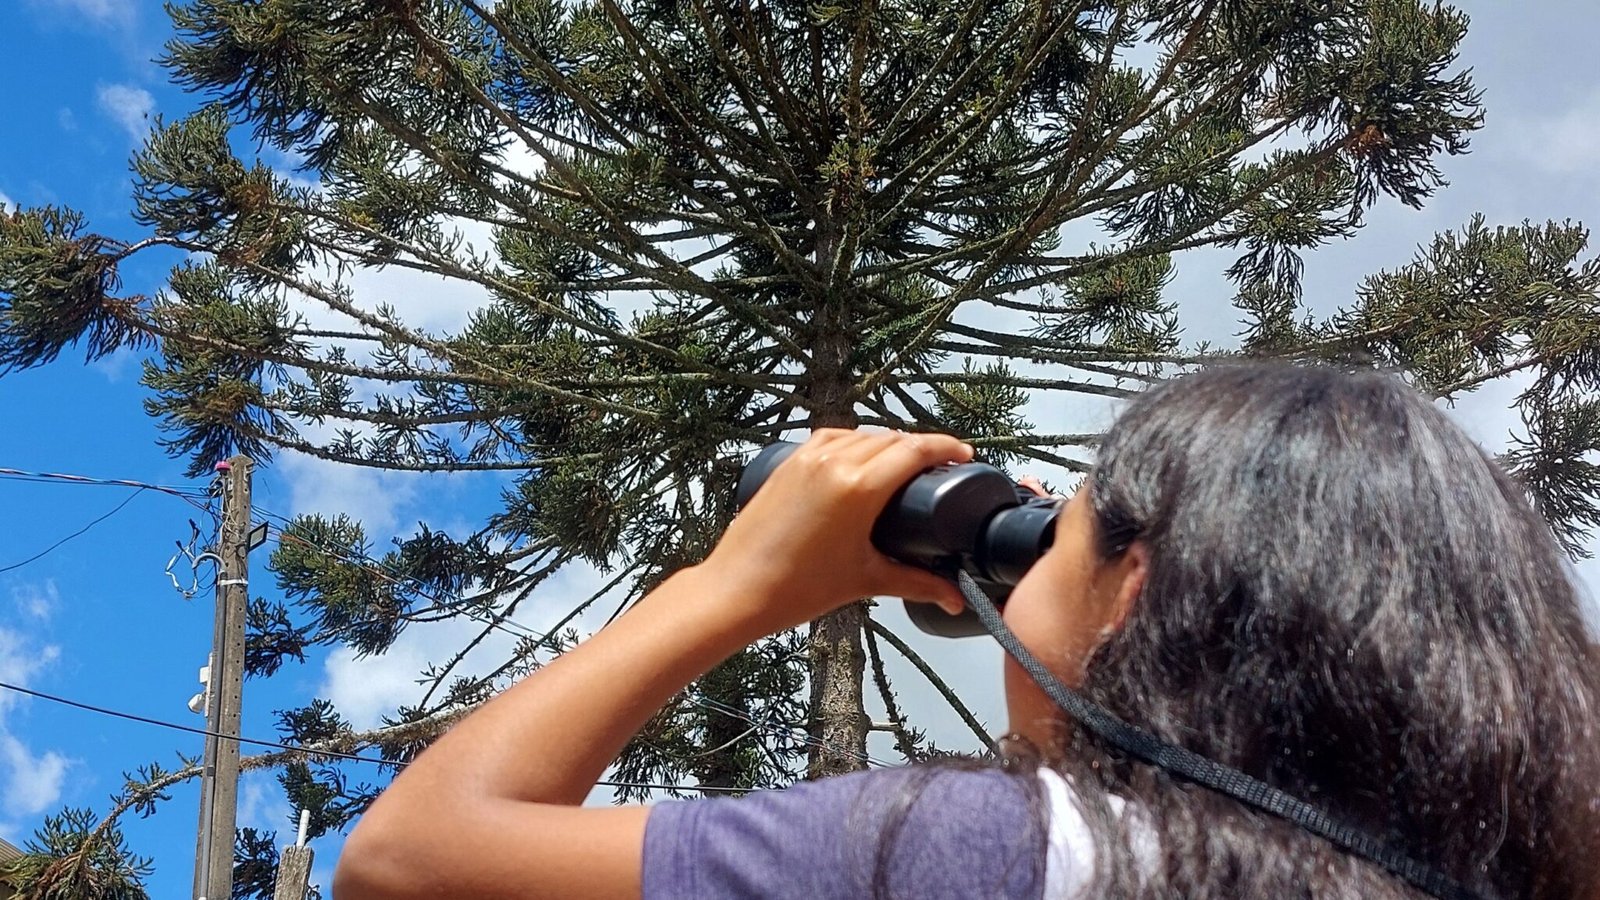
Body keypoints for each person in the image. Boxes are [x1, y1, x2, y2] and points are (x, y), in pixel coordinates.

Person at [332, 363, 1600, 899]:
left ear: (1136, 594)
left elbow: (407, 867)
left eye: (1062, 526)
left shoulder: (1018, 855)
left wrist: (735, 585)